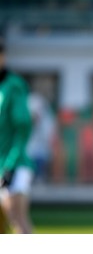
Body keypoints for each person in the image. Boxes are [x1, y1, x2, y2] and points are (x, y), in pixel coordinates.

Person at [0, 38, 35, 233]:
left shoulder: (13, 86)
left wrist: (10, 166)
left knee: (17, 218)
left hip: (12, 165)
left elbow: (23, 127)